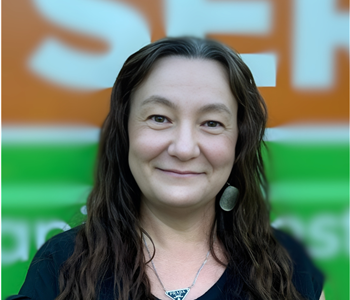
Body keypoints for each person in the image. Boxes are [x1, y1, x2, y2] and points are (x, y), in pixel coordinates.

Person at [8, 37, 324, 300]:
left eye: (212, 123)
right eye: (159, 118)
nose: (184, 148)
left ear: (238, 143)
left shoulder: (290, 267)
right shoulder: (62, 265)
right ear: (126, 132)